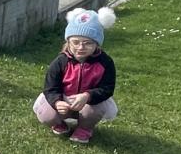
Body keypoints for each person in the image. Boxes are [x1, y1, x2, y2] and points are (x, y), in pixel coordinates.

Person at [34, 7, 118, 144]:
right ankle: (58, 123)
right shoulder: (60, 61)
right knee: (46, 115)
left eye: (88, 43)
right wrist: (57, 102)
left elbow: (107, 88)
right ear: (68, 42)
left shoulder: (105, 62)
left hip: (89, 102)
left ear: (97, 44)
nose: (81, 47)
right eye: (76, 42)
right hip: (63, 99)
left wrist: (88, 96)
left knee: (93, 111)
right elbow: (50, 88)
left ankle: (84, 128)